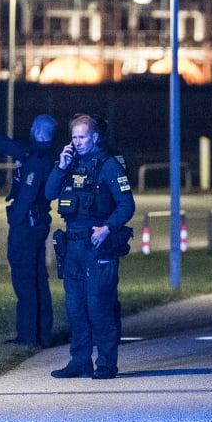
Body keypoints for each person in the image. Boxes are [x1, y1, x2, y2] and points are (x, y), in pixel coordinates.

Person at [45, 113, 135, 379]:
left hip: (98, 245)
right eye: (74, 137)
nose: (78, 141)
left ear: (94, 137)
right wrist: (60, 167)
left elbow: (127, 205)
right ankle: (80, 361)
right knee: (75, 307)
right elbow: (49, 194)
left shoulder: (108, 165)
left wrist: (107, 228)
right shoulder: (69, 163)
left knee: (99, 306)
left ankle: (106, 363)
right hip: (72, 247)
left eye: (82, 136)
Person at [0, 115, 58, 348]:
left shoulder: (36, 162)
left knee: (25, 280)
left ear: (38, 131)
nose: (28, 128)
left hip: (26, 228)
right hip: (38, 225)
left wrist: (16, 221)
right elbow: (16, 148)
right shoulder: (43, 154)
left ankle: (28, 337)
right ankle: (42, 335)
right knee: (38, 279)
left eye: (31, 127)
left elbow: (26, 196)